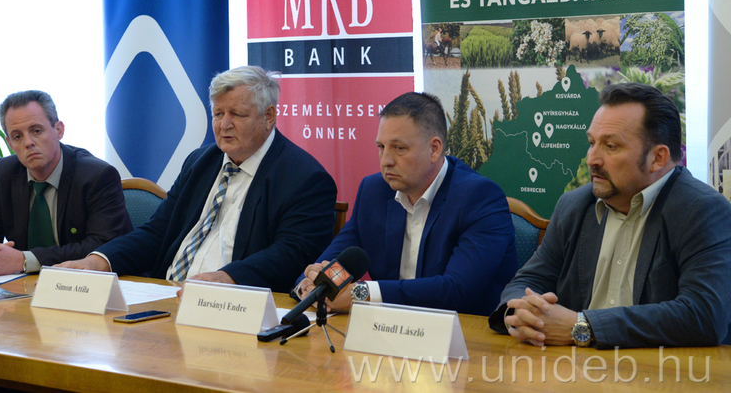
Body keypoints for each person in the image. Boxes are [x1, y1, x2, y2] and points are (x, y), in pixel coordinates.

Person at [489, 83, 731, 348]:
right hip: (569, 365)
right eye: (591, 143)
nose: (592, 159)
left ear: (658, 158)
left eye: (611, 146)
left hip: (658, 369)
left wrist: (582, 327)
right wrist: (522, 313)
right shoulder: (574, 205)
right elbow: (528, 281)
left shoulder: (702, 210)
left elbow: (704, 314)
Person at [58, 66, 337, 293]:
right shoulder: (200, 162)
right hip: (168, 295)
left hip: (235, 307)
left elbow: (290, 255)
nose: (224, 125)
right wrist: (99, 261)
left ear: (269, 116)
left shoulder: (305, 179)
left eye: (237, 115)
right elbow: (158, 232)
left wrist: (228, 278)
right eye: (218, 114)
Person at [295, 92, 517, 316]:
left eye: (399, 148)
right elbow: (334, 261)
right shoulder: (374, 192)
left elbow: (456, 291)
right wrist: (312, 284)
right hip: (387, 328)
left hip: (465, 332)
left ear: (434, 149)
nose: (386, 161)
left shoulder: (479, 198)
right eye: (381, 147)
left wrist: (361, 293)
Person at [0, 90, 132, 275]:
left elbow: (102, 247)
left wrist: (24, 260)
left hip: (93, 285)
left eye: (36, 131)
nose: (28, 142)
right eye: (17, 136)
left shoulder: (97, 176)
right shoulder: (5, 173)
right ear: (10, 143)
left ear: (58, 130)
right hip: (25, 286)